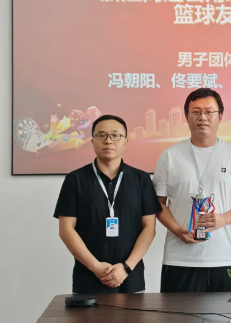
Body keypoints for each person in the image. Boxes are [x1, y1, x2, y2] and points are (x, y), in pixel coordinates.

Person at [153, 88, 231, 292]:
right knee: (175, 311)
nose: (203, 117)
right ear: (186, 116)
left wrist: (224, 220)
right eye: (196, 112)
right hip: (179, 259)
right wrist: (176, 230)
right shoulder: (170, 155)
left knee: (224, 312)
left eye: (209, 112)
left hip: (223, 258)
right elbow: (158, 203)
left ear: (220, 116)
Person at [54, 115, 162, 294]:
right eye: (101, 135)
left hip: (131, 278)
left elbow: (149, 228)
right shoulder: (75, 179)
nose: (108, 141)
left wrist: (126, 267)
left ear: (126, 141)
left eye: (115, 135)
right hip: (88, 278)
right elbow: (66, 230)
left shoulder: (141, 179)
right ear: (92, 141)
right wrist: (96, 267)